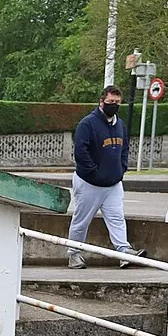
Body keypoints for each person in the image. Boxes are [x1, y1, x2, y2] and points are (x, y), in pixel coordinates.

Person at [67, 85, 138, 269]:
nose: (114, 105)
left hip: (113, 183)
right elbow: (80, 151)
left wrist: (121, 169)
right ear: (101, 101)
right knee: (81, 221)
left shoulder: (120, 125)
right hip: (89, 183)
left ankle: (123, 251)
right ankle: (73, 254)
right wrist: (93, 171)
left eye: (117, 102)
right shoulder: (87, 124)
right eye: (110, 102)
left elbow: (125, 149)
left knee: (117, 218)